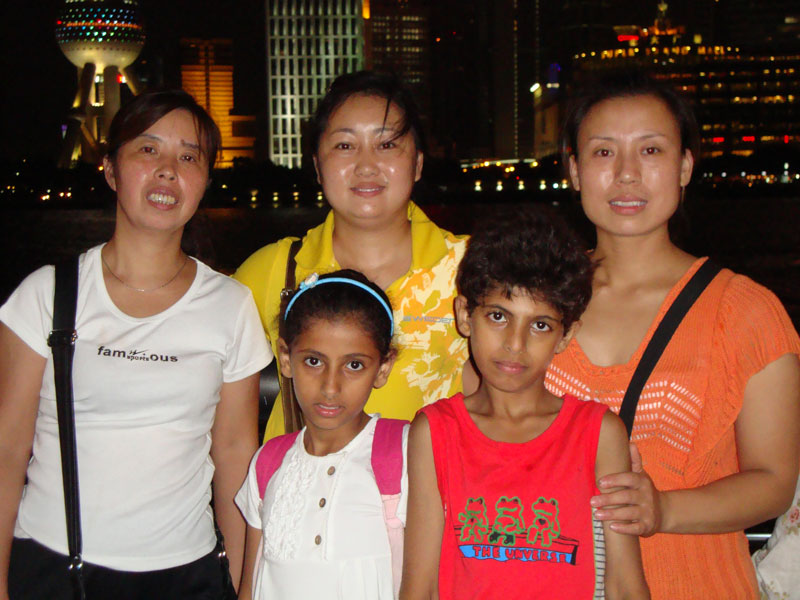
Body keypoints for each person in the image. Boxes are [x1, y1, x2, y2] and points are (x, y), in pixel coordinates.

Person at [0, 89, 272, 599]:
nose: (168, 171)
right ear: (110, 169)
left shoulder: (230, 305)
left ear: (205, 180)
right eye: (148, 150)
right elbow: (7, 449)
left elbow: (236, 453)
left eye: (189, 157)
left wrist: (243, 584)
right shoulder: (47, 295)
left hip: (188, 575)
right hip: (56, 569)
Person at [545, 70, 800, 599]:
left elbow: (774, 481)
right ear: (574, 170)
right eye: (603, 152)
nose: (627, 174)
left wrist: (664, 509)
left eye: (651, 150)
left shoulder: (744, 311)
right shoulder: (535, 304)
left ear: (685, 166)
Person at [400, 210, 650, 600]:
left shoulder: (598, 433)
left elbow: (625, 584)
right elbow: (420, 587)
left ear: (565, 335)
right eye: (498, 316)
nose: (515, 344)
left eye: (540, 325)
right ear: (465, 315)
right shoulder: (435, 431)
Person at [234, 70, 469, 440]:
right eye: (345, 146)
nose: (366, 165)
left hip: (436, 479)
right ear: (317, 166)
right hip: (298, 477)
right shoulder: (275, 270)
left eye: (387, 144)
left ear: (418, 163)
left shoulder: (472, 269)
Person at [235, 269, 407, 599]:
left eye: (354, 365)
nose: (330, 387)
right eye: (313, 361)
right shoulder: (268, 462)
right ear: (286, 358)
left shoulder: (404, 453)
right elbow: (250, 586)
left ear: (383, 368)